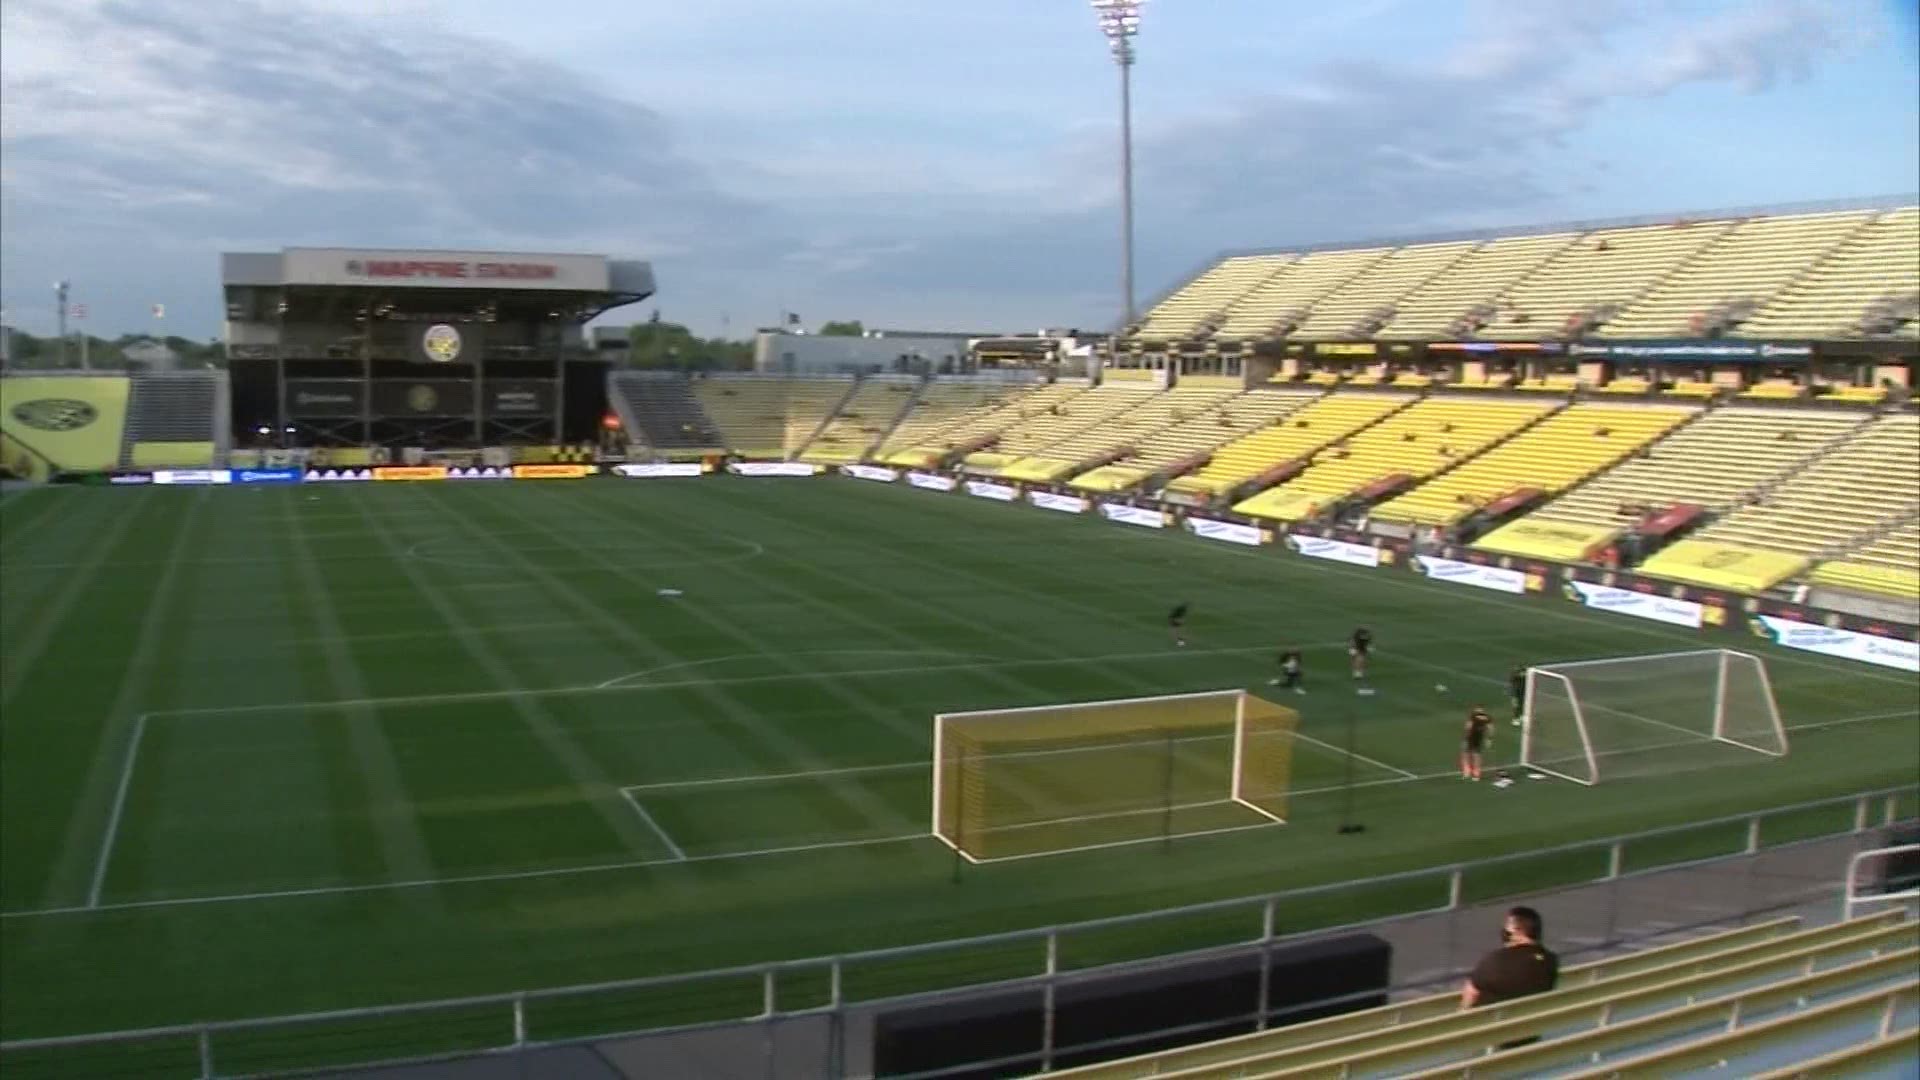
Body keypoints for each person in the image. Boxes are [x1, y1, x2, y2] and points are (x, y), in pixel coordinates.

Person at [1461, 907, 1560, 1045]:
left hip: (1492, 1036)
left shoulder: (1493, 960)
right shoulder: (1551, 961)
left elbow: (1470, 997)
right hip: (1530, 1034)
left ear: (1515, 931)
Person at [1461, 705, 1493, 780]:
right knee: (1476, 756)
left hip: (1471, 738)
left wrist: (1465, 739)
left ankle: (1468, 772)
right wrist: (1489, 739)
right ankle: (1475, 774)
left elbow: (1468, 727)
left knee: (1466, 754)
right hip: (1478, 739)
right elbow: (1491, 728)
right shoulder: (1487, 718)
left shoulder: (1473, 716)